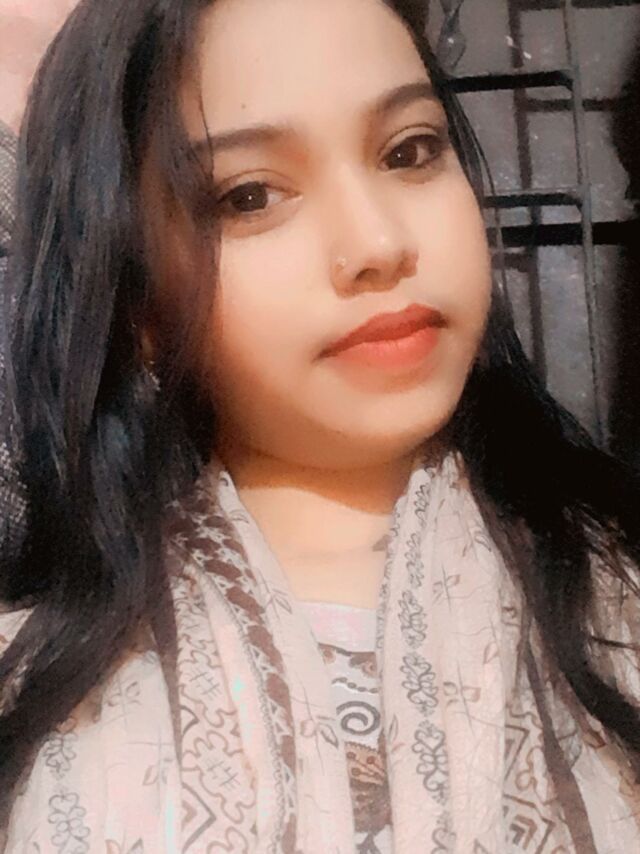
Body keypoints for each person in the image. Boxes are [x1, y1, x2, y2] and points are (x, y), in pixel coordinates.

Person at [0, 0, 639, 850]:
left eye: (409, 151)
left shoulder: (619, 607)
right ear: (135, 299)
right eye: (251, 195)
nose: (377, 243)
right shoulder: (37, 700)